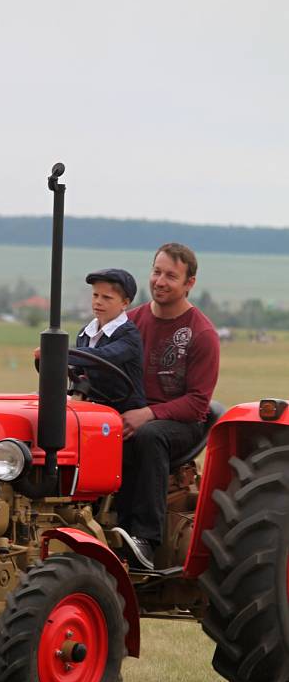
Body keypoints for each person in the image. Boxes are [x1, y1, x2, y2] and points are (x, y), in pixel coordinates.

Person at [113, 242, 220, 571]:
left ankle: (145, 539)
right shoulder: (129, 323)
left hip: (181, 424)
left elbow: (197, 403)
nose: (160, 281)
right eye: (156, 272)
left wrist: (148, 414)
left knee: (149, 436)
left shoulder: (201, 334)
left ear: (189, 283)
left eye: (171, 276)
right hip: (131, 416)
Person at [69, 268, 146, 413]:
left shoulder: (129, 335)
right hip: (95, 407)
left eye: (106, 297)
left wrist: (59, 353)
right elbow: (78, 372)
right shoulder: (85, 334)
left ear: (125, 303)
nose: (98, 302)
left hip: (125, 411)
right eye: (95, 295)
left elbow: (105, 356)